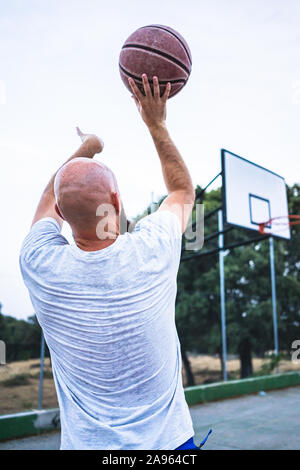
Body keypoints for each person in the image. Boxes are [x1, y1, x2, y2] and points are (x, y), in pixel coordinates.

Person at [19, 74, 197, 450]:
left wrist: (89, 147)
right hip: (170, 447)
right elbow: (182, 190)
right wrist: (156, 123)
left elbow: (46, 200)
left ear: (63, 219)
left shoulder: (39, 263)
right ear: (116, 202)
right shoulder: (153, 249)